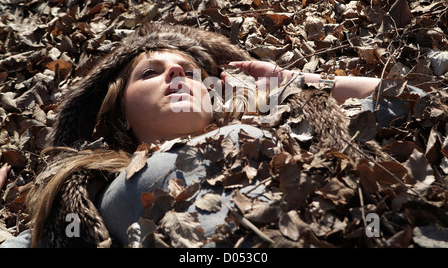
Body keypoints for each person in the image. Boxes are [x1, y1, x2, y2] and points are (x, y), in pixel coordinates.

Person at [0, 22, 382, 248]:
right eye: (150, 72)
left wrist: (292, 81)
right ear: (123, 117)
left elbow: (405, 96)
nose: (176, 74)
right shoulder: (90, 191)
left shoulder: (285, 123)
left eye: (189, 70)